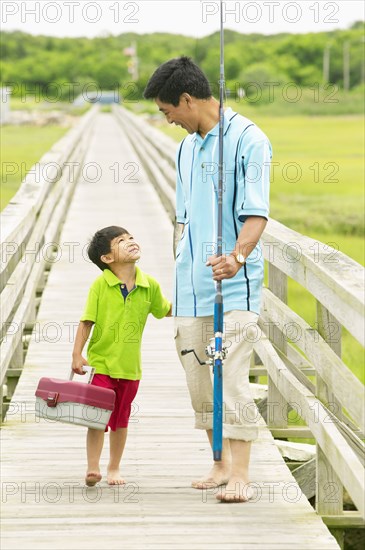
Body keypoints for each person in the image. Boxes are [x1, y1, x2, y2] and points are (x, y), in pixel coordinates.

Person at [144, 57, 272, 503]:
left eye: (168, 112)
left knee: (230, 376)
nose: (168, 121)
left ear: (187, 99)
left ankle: (241, 475)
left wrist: (237, 256)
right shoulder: (185, 147)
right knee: (200, 378)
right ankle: (218, 464)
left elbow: (256, 212)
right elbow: (184, 216)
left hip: (233, 285)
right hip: (189, 285)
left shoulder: (248, 140)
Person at [71, 226, 172, 486]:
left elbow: (166, 310)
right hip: (101, 364)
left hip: (130, 368)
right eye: (121, 241)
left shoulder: (149, 285)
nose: (131, 242)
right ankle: (93, 467)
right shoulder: (100, 285)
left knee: (121, 420)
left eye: (131, 237)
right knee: (96, 416)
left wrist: (198, 303)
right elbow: (86, 322)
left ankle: (114, 468)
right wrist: (77, 355)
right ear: (107, 258)